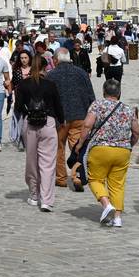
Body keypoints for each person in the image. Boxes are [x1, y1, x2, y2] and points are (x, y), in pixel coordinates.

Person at [83, 78, 139, 228]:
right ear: (119, 93)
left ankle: (106, 204)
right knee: (118, 185)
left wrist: (81, 143)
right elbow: (136, 131)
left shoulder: (97, 105)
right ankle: (118, 218)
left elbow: (87, 125)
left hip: (100, 149)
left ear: (103, 91)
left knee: (95, 179)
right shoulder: (128, 109)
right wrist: (129, 144)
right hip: (122, 151)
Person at [15, 54, 65, 211]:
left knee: (31, 161)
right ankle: (46, 200)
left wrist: (29, 111)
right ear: (45, 67)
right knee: (48, 163)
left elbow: (18, 107)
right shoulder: (50, 85)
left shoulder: (23, 85)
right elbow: (59, 108)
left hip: (30, 124)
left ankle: (34, 194)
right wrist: (61, 122)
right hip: (48, 123)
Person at [47, 47, 95, 190]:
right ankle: (77, 177)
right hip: (80, 116)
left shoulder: (51, 75)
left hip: (60, 119)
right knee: (77, 148)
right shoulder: (82, 73)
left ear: (55, 60)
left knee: (58, 148)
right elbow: (91, 96)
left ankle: (60, 178)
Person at [7, 48, 32, 151]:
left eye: (25, 58)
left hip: (32, 100)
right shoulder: (17, 71)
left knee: (31, 123)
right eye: (21, 58)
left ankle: (31, 142)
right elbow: (13, 84)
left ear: (29, 58)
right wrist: (8, 88)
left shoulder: (33, 70)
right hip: (20, 100)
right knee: (21, 123)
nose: (23, 60)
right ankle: (22, 141)